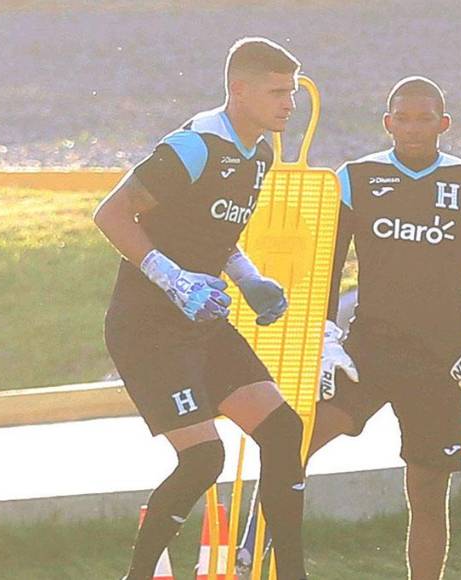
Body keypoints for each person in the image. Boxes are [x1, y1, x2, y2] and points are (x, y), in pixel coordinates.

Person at [94, 37, 309, 580]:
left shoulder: (259, 151)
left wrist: (250, 278)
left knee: (283, 432)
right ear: (238, 90)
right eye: (276, 91)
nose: (289, 103)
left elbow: (214, 233)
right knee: (204, 459)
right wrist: (172, 279)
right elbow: (112, 214)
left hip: (202, 320)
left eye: (291, 92)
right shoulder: (196, 145)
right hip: (148, 326)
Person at [310, 76, 461, 579]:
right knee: (295, 444)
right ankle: (254, 554)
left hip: (441, 363)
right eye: (403, 118)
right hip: (367, 352)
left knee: (429, 495)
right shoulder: (355, 178)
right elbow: (325, 262)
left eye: (425, 118)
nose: (413, 129)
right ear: (387, 122)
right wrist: (325, 336)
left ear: (444, 124)